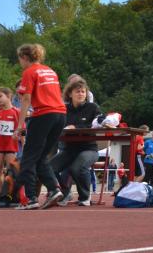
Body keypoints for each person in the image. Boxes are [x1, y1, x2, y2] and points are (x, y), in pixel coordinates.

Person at [13, 43, 67, 210]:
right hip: (60, 115)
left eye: (19, 59)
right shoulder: (50, 71)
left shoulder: (29, 72)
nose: (20, 63)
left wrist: (20, 125)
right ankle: (54, 189)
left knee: (28, 158)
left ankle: (31, 198)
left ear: (24, 57)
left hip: (43, 114)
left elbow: (26, 99)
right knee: (41, 156)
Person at [51, 77, 104, 207]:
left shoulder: (93, 107)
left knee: (77, 168)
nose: (81, 94)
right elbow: (56, 124)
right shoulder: (63, 109)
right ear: (70, 94)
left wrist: (76, 127)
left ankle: (85, 197)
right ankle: (64, 192)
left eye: (83, 92)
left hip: (89, 148)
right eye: (77, 91)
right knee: (49, 168)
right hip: (69, 149)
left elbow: (98, 124)